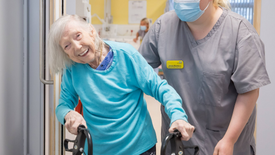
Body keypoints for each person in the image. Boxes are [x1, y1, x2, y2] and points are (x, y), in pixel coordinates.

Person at [139, 0, 270, 155]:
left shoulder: (240, 33)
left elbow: (249, 92)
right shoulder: (164, 27)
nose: (180, 0)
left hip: (225, 143)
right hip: (179, 141)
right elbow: (137, 70)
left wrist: (230, 140)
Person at [48, 15, 195, 155]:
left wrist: (178, 116)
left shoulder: (126, 55)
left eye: (78, 36)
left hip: (138, 147)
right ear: (66, 53)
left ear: (91, 31)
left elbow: (161, 89)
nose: (77, 47)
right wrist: (68, 114)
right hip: (95, 149)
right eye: (67, 46)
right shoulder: (72, 69)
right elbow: (63, 105)